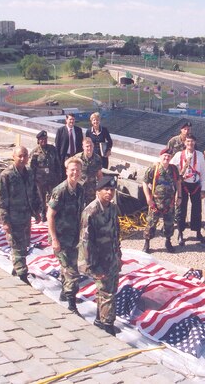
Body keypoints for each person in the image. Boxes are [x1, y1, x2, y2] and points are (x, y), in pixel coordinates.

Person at [79, 176, 122, 336]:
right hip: (98, 260)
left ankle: (99, 319)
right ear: (98, 191)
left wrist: (118, 255)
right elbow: (85, 242)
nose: (110, 193)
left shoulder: (112, 209)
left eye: (112, 190)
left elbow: (116, 233)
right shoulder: (91, 211)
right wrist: (92, 267)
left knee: (110, 290)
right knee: (107, 293)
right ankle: (107, 326)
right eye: (106, 190)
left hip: (111, 257)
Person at [0, 146, 42, 286]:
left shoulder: (28, 172)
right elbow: (0, 201)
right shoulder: (6, 176)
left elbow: (34, 193)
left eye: (25, 156)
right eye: (20, 156)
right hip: (13, 217)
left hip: (26, 215)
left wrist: (37, 211)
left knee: (24, 244)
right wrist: (4, 221)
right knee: (17, 245)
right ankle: (22, 273)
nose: (23, 159)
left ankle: (17, 268)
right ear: (13, 157)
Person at [47, 157, 85, 316]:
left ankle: (65, 292)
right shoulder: (60, 191)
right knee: (71, 270)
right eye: (72, 170)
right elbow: (50, 216)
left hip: (73, 237)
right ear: (67, 171)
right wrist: (54, 239)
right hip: (61, 237)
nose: (75, 173)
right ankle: (71, 304)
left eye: (77, 170)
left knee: (69, 266)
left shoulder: (80, 190)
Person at [142, 148, 181, 254]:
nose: (167, 158)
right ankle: (147, 243)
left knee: (169, 224)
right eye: (165, 156)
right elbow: (145, 183)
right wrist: (148, 198)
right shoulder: (154, 168)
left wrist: (179, 196)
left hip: (170, 203)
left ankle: (168, 242)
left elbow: (178, 182)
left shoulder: (173, 169)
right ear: (160, 156)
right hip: (155, 203)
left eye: (169, 156)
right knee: (151, 224)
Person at [170, 134, 205, 246]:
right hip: (183, 185)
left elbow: (203, 173)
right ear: (185, 143)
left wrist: (203, 189)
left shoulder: (199, 155)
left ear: (195, 143)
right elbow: (171, 168)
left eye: (192, 141)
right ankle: (180, 232)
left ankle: (198, 232)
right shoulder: (179, 155)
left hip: (195, 185)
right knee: (181, 209)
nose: (190, 143)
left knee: (197, 209)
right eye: (188, 141)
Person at [30, 130, 62, 220]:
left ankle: (53, 214)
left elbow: (57, 163)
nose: (43, 141)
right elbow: (31, 167)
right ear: (38, 141)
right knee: (41, 198)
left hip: (52, 178)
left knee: (54, 197)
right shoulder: (35, 152)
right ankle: (43, 213)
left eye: (45, 139)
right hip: (40, 180)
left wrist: (59, 176)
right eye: (41, 139)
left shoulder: (52, 149)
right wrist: (33, 180)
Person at [72, 137, 103, 205]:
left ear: (93, 146)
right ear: (83, 147)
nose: (89, 148)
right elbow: (70, 171)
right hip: (79, 189)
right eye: (87, 146)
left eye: (91, 146)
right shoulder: (77, 158)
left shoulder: (97, 159)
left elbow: (99, 175)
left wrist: (100, 190)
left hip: (91, 190)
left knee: (90, 210)